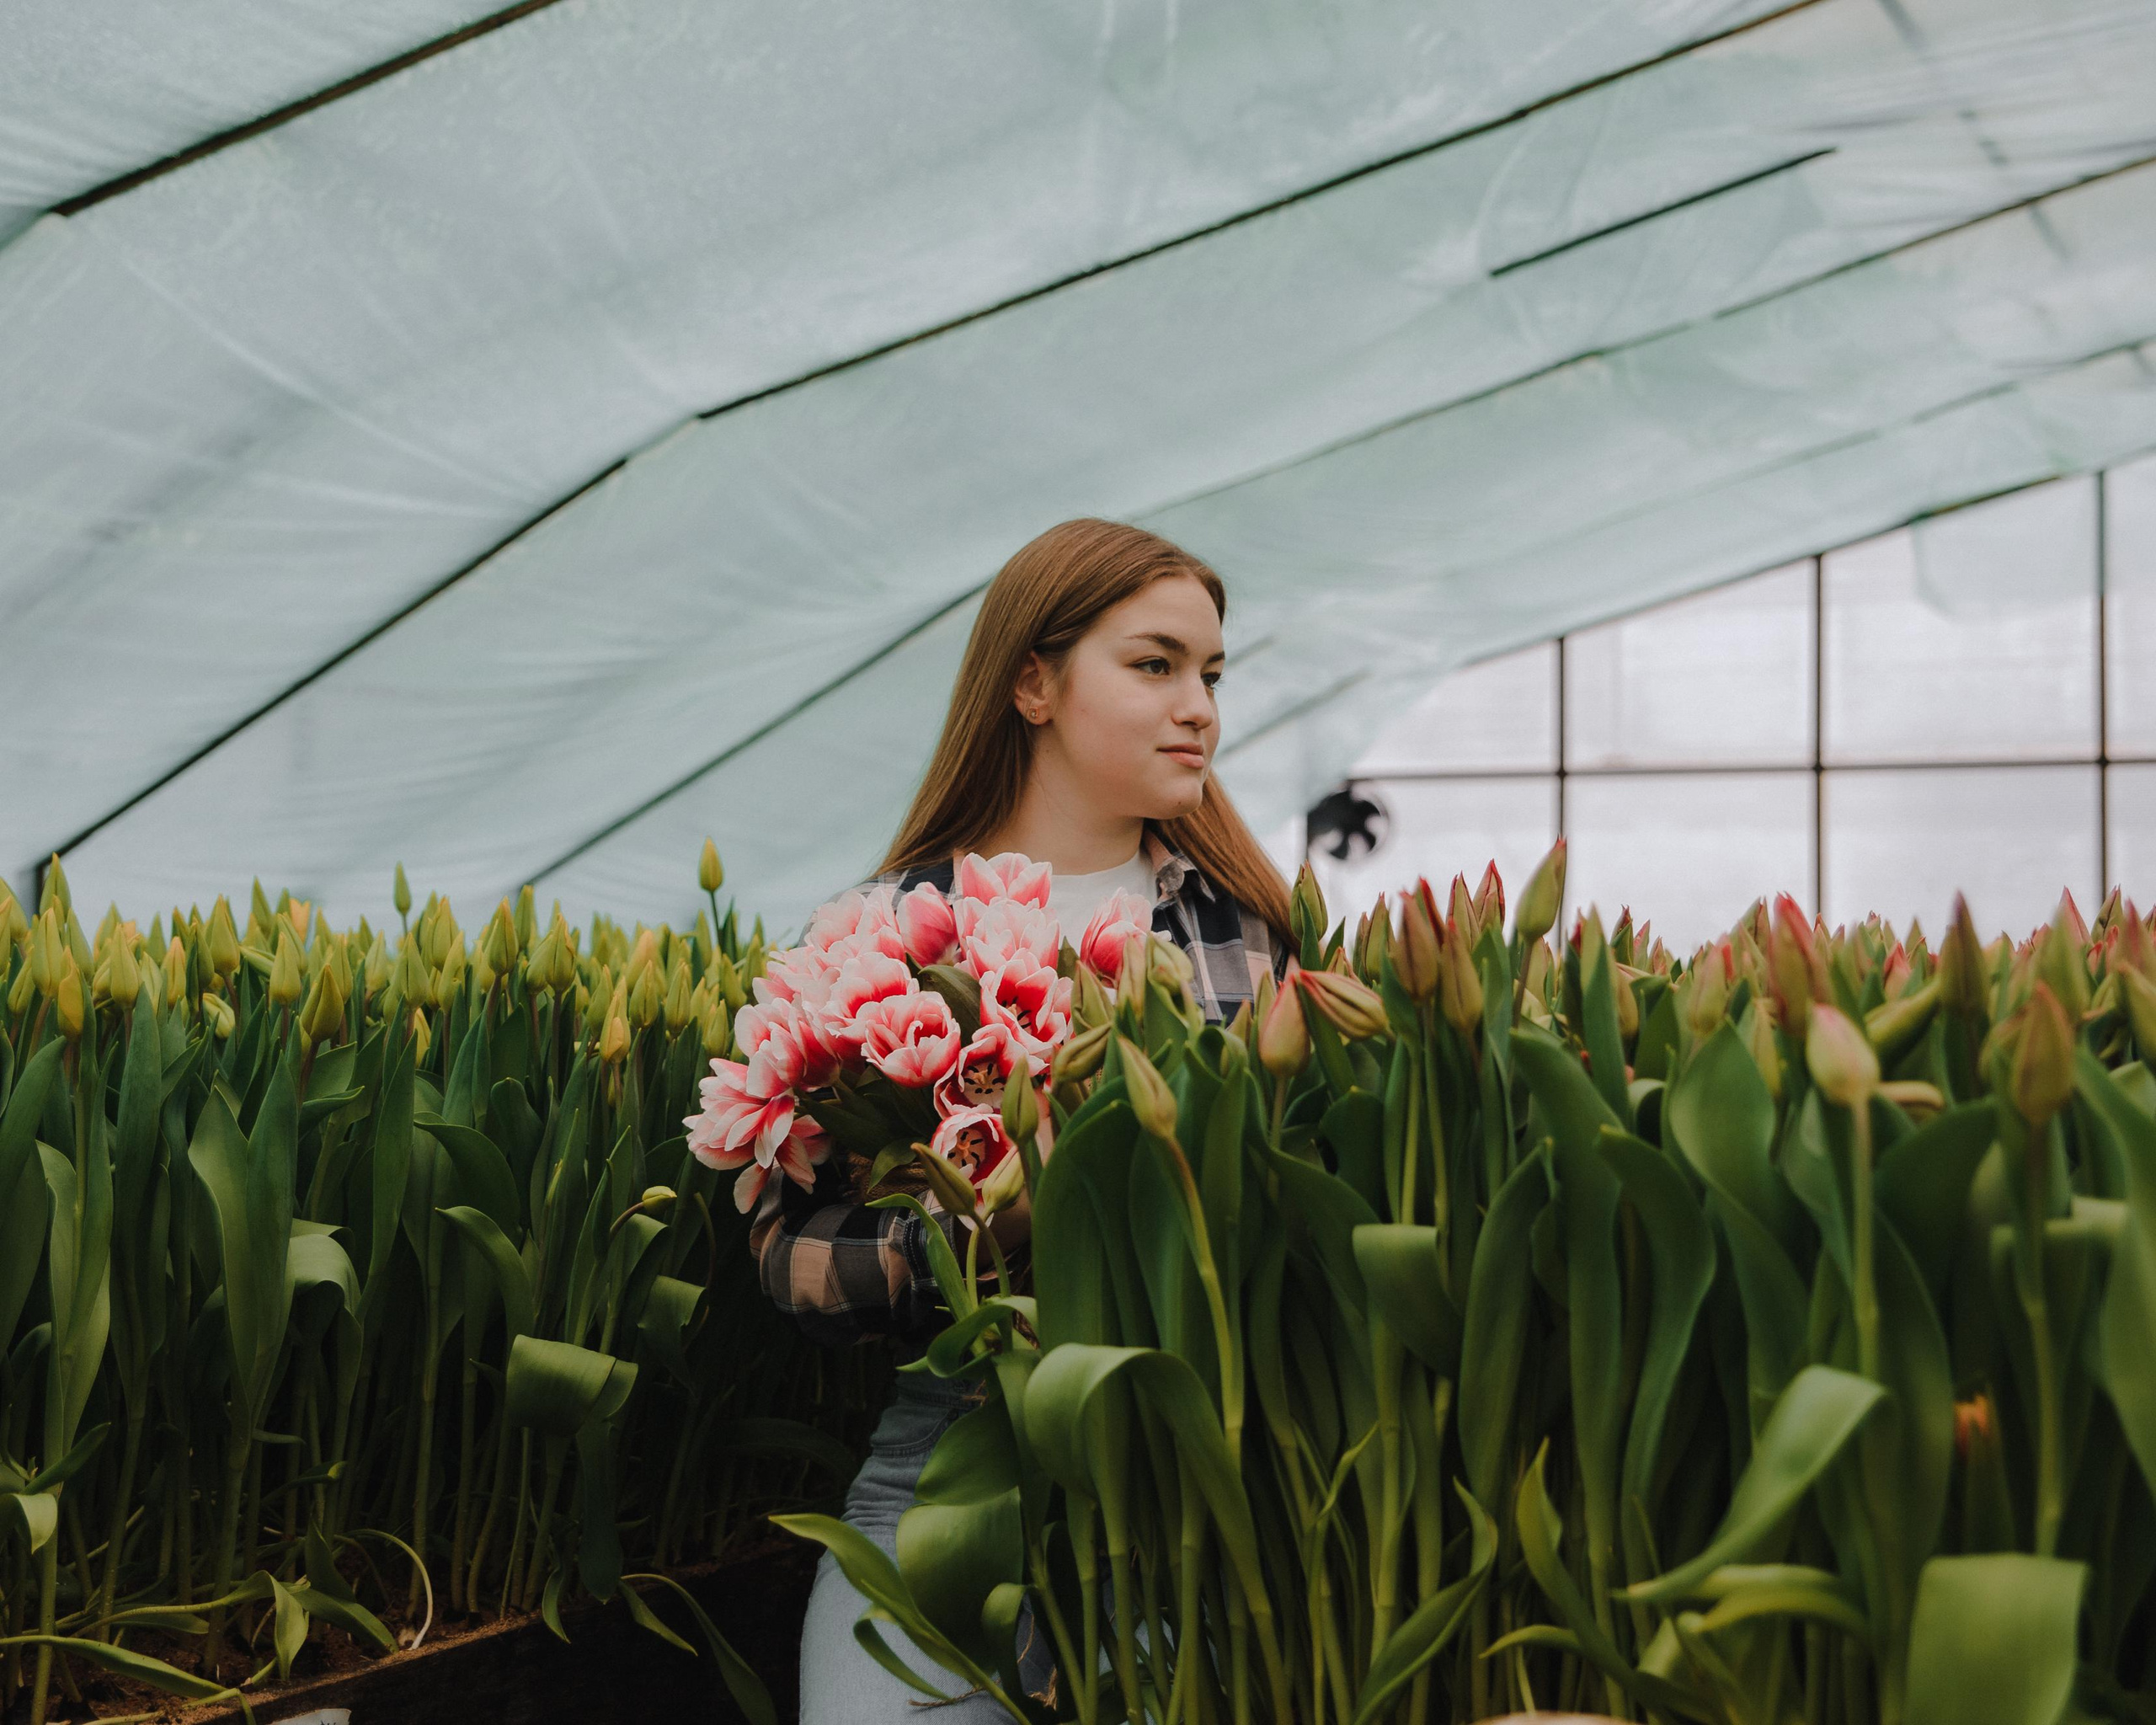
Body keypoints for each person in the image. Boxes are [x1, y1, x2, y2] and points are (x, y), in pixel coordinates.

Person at [752, 516, 1294, 1722]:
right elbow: (789, 1263)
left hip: (1190, 1507)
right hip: (943, 1485)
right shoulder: (879, 936)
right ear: (1033, 684)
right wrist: (978, 1224)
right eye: (1154, 665)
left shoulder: (1250, 938)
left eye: (1211, 674)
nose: (1199, 707)